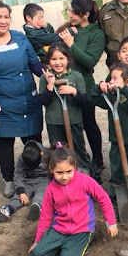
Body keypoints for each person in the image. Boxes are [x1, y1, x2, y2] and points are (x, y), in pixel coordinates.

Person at [0, 0, 44, 199]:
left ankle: (35, 176)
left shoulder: (20, 38)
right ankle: (9, 180)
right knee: (4, 144)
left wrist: (54, 72)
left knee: (33, 142)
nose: (3, 21)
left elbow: (35, 65)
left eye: (6, 17)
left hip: (27, 101)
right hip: (0, 104)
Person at [29, 146, 118, 256]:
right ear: (51, 169)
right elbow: (46, 215)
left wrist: (111, 223)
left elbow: (104, 199)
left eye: (69, 171)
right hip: (59, 229)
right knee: (37, 255)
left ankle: (84, 242)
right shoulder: (51, 189)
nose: (65, 177)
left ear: (74, 167)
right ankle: (64, 246)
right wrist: (38, 240)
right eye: (59, 173)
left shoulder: (86, 181)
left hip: (82, 229)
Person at [59, 0, 106, 178]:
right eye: (69, 11)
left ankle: (97, 159)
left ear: (85, 14)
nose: (69, 14)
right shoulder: (69, 30)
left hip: (84, 85)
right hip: (63, 83)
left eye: (73, 12)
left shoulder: (96, 34)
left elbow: (89, 62)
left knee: (89, 123)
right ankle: (75, 159)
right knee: (70, 124)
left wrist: (71, 44)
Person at [93, 63, 128, 206]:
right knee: (116, 171)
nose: (111, 81)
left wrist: (123, 89)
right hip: (117, 142)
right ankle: (115, 199)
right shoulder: (111, 97)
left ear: (127, 81)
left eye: (114, 79)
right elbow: (93, 99)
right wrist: (99, 87)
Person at [39, 42, 91, 172]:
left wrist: (74, 92)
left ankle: (84, 172)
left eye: (61, 58)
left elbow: (84, 101)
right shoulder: (45, 78)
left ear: (68, 59)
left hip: (74, 120)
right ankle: (60, 173)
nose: (58, 62)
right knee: (58, 150)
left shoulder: (76, 76)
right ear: (48, 62)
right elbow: (43, 101)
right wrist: (50, 87)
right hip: (54, 122)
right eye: (54, 59)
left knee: (78, 148)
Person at [0, 140, 50, 223]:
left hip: (44, 179)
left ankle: (37, 207)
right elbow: (18, 175)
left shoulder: (49, 154)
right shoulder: (23, 157)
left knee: (42, 193)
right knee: (18, 197)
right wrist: (21, 192)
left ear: (41, 154)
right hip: (28, 180)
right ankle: (7, 210)